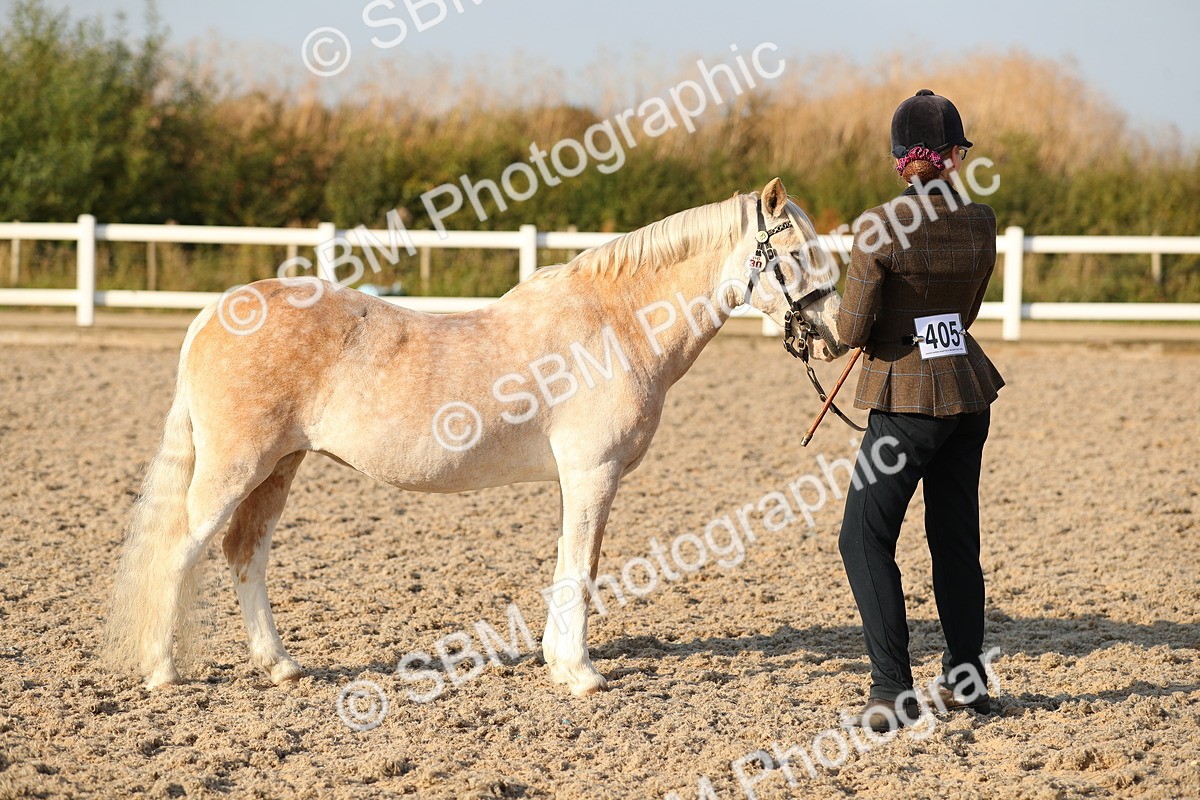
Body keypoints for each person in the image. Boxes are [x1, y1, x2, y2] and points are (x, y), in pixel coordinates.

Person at [835, 89, 1005, 731]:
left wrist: (879, 333)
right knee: (955, 542)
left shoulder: (879, 226)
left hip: (906, 402)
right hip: (966, 391)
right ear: (953, 158)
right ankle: (968, 681)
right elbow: (966, 314)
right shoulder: (980, 220)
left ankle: (891, 690)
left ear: (900, 160)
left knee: (862, 538)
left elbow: (852, 330)